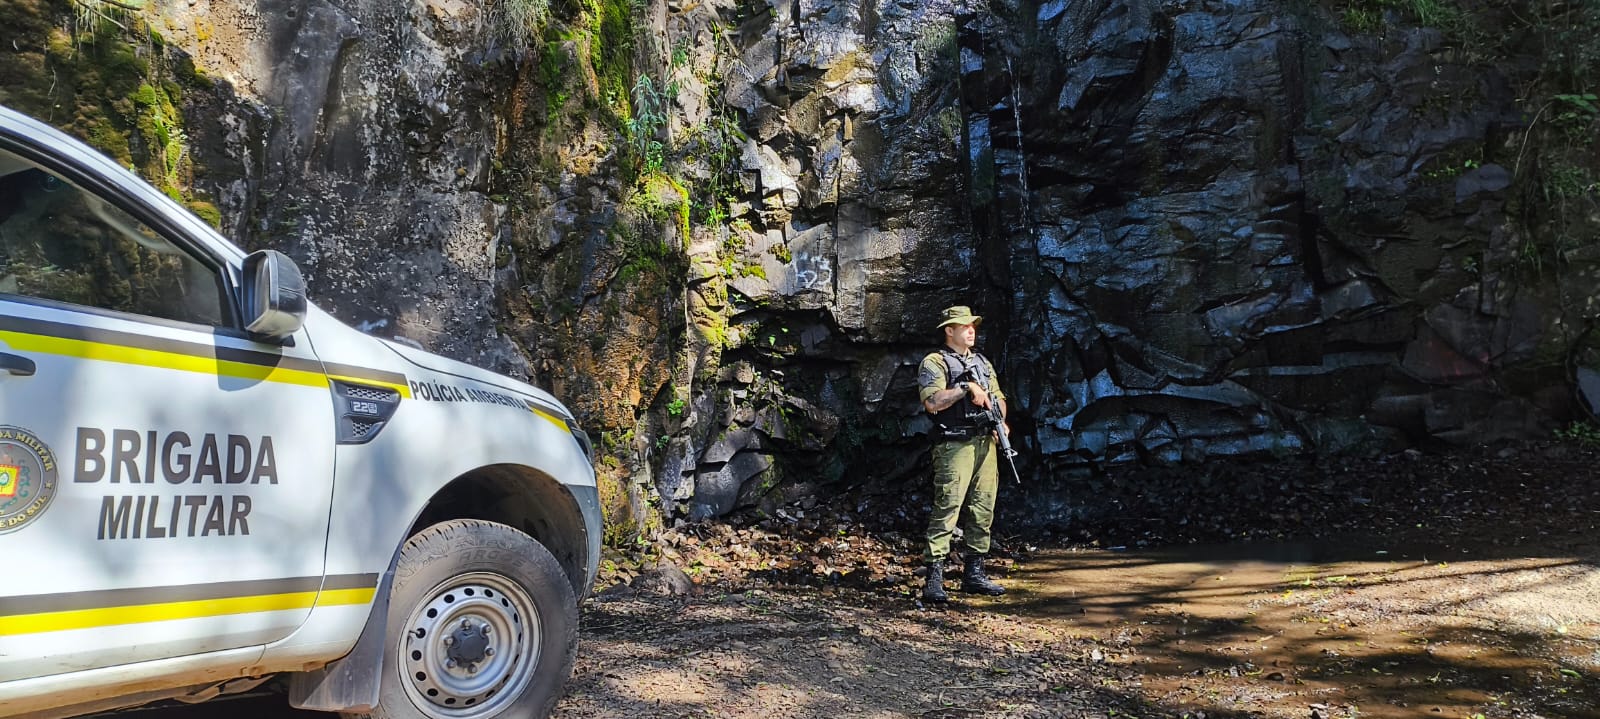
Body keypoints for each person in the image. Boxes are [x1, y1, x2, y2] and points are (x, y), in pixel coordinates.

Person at [916, 305, 1009, 602]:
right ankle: (933, 578)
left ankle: (974, 573)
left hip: (985, 443)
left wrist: (1000, 421)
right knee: (948, 507)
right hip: (954, 444)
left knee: (983, 509)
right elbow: (933, 402)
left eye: (973, 326)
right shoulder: (935, 362)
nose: (971, 330)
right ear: (949, 330)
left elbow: (998, 398)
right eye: (964, 326)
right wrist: (966, 388)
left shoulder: (982, 362)